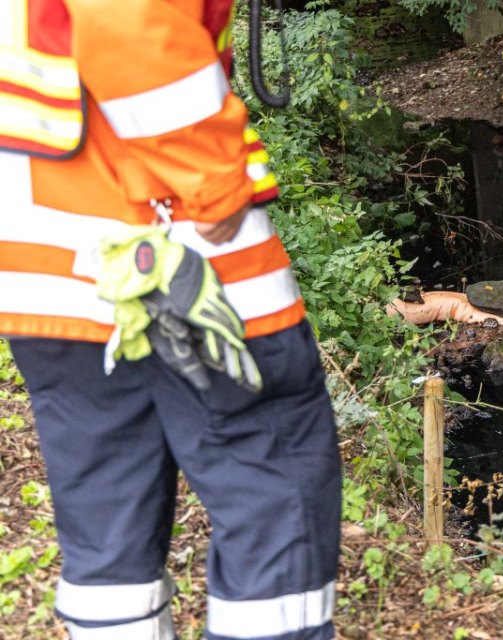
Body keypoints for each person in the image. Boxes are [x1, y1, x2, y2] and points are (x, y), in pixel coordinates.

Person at [0, 3, 340, 639]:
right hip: (183, 258)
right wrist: (212, 177)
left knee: (107, 526)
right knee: (272, 491)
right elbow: (125, 17)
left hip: (47, 272)